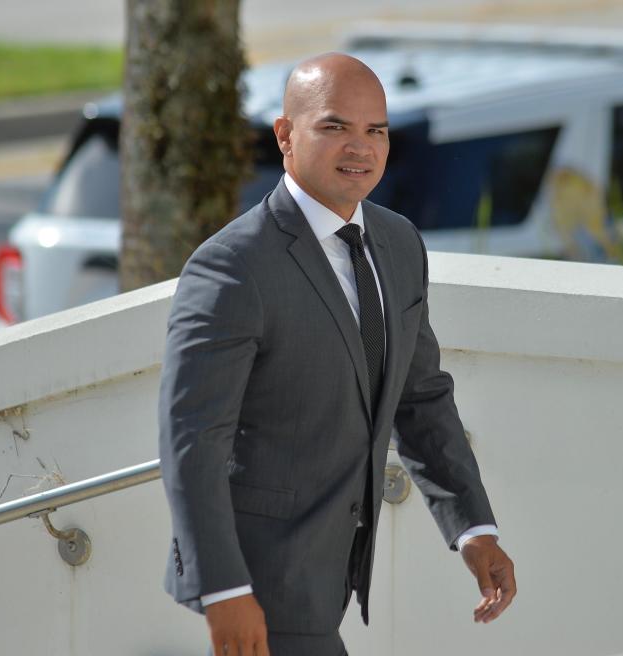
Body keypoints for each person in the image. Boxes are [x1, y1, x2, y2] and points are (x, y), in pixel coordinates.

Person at [158, 52, 516, 656]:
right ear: (284, 136)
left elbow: (420, 396)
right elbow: (192, 437)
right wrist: (224, 589)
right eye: (334, 127)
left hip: (334, 574)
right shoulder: (232, 267)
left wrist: (473, 530)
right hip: (262, 584)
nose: (361, 147)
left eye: (375, 130)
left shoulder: (398, 243)